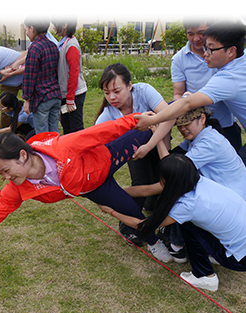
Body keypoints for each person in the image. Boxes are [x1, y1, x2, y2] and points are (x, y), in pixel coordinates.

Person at [0, 114, 168, 281]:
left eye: (5, 170)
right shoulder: (17, 188)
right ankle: (155, 240)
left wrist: (137, 119)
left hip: (105, 157)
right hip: (94, 190)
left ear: (22, 156)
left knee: (146, 129)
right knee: (134, 215)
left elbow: (100, 132)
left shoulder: (62, 147)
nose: (5, 177)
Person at [98, 153, 246, 292]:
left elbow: (142, 225)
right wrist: (116, 193)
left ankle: (205, 276)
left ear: (169, 181)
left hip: (239, 259)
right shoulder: (198, 181)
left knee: (188, 226)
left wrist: (111, 211)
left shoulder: (187, 205)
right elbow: (146, 190)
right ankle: (212, 254)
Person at [135, 20, 246, 162]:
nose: (205, 54)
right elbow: (181, 97)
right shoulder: (241, 60)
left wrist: (153, 119)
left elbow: (186, 103)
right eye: (205, 48)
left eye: (210, 49)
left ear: (231, 51)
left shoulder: (227, 78)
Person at [94, 63, 171, 261]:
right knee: (141, 185)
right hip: (136, 153)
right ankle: (129, 227)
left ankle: (164, 223)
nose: (112, 97)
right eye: (107, 92)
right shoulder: (107, 116)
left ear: (130, 86)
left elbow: (170, 117)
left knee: (166, 184)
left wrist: (151, 144)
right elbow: (95, 143)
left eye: (116, 91)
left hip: (161, 144)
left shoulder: (144, 91)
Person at [151, 106, 246, 262]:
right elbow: (177, 155)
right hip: (231, 195)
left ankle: (177, 245)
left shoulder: (207, 144)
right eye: (179, 125)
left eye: (186, 123)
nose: (182, 129)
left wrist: (131, 192)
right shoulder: (203, 134)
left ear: (202, 119)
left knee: (181, 192)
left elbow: (175, 173)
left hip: (232, 199)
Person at [171, 13, 241, 151]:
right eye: (190, 34)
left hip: (226, 125)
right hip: (199, 128)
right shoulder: (179, 59)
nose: (196, 39)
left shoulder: (224, 55)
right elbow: (178, 94)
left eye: (201, 33)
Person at [22, 13, 62, 134]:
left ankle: (44, 153)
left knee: (42, 134)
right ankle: (56, 152)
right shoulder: (53, 46)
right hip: (55, 95)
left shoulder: (35, 48)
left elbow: (29, 75)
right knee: (54, 132)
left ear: (32, 29)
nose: (26, 33)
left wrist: (27, 99)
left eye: (26, 30)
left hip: (41, 98)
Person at [51, 13, 87, 134]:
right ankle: (70, 152)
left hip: (74, 94)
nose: (54, 28)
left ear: (65, 25)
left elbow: (74, 73)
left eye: (56, 24)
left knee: (76, 127)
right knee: (66, 125)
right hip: (66, 93)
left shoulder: (71, 45)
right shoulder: (62, 41)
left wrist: (70, 98)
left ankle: (82, 152)